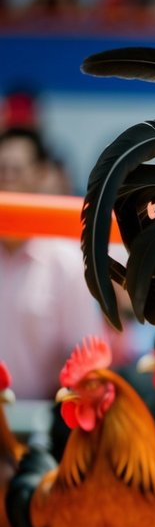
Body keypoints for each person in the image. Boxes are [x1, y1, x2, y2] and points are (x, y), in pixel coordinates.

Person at [0, 128, 107, 400]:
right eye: (1, 169)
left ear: (39, 175)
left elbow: (84, 356)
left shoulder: (66, 263)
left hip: (44, 422)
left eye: (16, 170)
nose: (7, 179)